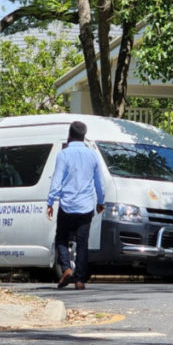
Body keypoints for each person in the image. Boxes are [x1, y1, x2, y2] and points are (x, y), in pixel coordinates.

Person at [46, 121, 105, 290]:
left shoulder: (63, 154)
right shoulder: (92, 155)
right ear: (83, 135)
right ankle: (79, 280)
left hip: (67, 205)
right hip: (86, 206)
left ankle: (66, 268)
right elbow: (99, 182)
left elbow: (56, 181)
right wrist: (101, 201)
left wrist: (50, 202)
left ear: (69, 134)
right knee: (82, 243)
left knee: (61, 238)